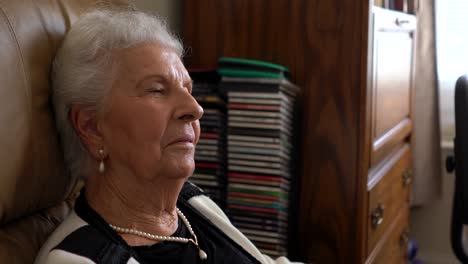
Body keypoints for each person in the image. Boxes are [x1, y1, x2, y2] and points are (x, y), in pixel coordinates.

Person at [34, 7, 301, 264]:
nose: (195, 109)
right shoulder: (78, 258)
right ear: (92, 128)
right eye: (157, 90)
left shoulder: (192, 203)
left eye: (188, 89)